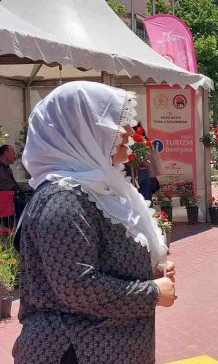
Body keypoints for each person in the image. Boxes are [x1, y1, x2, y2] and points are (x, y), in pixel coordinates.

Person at [12, 81, 177, 364]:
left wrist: (146, 274)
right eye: (117, 123)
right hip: (74, 351)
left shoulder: (95, 190)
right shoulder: (63, 199)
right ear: (81, 131)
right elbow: (77, 287)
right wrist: (151, 292)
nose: (129, 132)